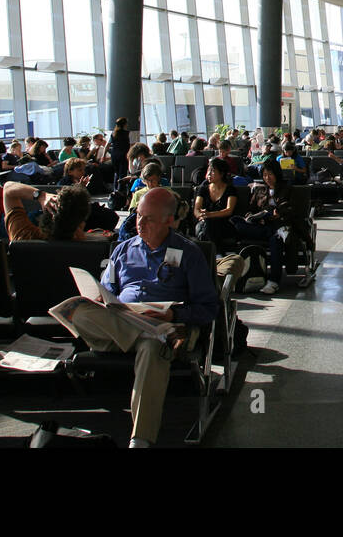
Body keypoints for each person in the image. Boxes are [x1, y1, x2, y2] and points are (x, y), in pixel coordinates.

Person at [49, 187, 217, 448]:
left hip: (167, 323)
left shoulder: (189, 254)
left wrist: (173, 313)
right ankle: (152, 335)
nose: (140, 223)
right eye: (138, 215)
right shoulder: (123, 250)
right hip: (127, 322)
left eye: (148, 218)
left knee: (151, 349)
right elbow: (108, 289)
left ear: (168, 220)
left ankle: (140, 439)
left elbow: (208, 307)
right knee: (79, 312)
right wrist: (99, 299)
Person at [231, 161, 290, 295]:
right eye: (264, 175)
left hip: (278, 224)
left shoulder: (286, 188)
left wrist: (274, 214)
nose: (267, 178)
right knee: (237, 223)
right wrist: (251, 216)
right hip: (261, 227)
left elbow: (288, 209)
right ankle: (276, 232)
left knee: (276, 240)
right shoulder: (260, 190)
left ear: (277, 174)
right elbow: (251, 209)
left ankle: (273, 281)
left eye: (270, 174)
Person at [3, 181, 100, 242]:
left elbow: (8, 188)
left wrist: (41, 196)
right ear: (81, 222)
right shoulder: (91, 249)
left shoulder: (24, 236)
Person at [193, 158, 238, 243]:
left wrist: (209, 215)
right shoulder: (203, 189)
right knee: (206, 226)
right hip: (204, 222)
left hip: (223, 224)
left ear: (221, 174)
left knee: (208, 227)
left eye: (213, 171)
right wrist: (201, 215)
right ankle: (215, 250)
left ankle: (209, 249)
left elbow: (229, 210)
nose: (209, 174)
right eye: (208, 170)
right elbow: (196, 209)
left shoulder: (230, 190)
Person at [109, 118, 131, 191]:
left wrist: (103, 155)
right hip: (124, 154)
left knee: (117, 172)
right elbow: (131, 144)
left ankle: (115, 189)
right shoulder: (127, 133)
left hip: (114, 154)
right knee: (123, 172)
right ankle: (120, 189)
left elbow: (108, 145)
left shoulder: (113, 133)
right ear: (125, 124)